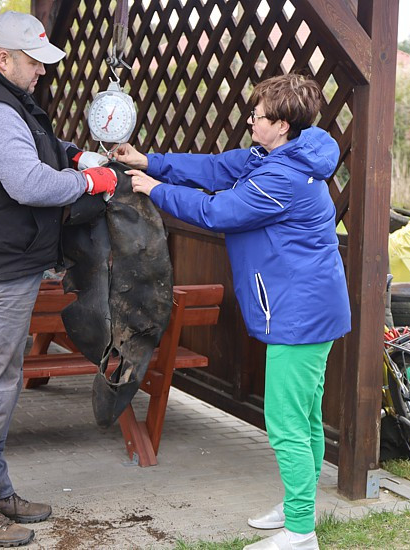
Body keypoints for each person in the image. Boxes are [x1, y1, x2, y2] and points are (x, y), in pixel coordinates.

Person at [112, 73, 351, 550]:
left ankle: (300, 531)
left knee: (286, 421)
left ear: (281, 125)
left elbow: (217, 212)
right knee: (303, 416)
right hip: (308, 305)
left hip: (300, 313)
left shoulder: (282, 177)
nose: (250, 121)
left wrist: (154, 188)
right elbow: (217, 167)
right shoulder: (278, 155)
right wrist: (149, 161)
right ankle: (299, 503)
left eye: (257, 116)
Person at [0, 11, 118, 547]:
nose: (41, 72)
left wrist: (75, 154)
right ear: (3, 57)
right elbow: (29, 183)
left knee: (0, 385)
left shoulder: (3, 96)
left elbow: (39, 146)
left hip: (0, 266)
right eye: (34, 62)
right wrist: (90, 180)